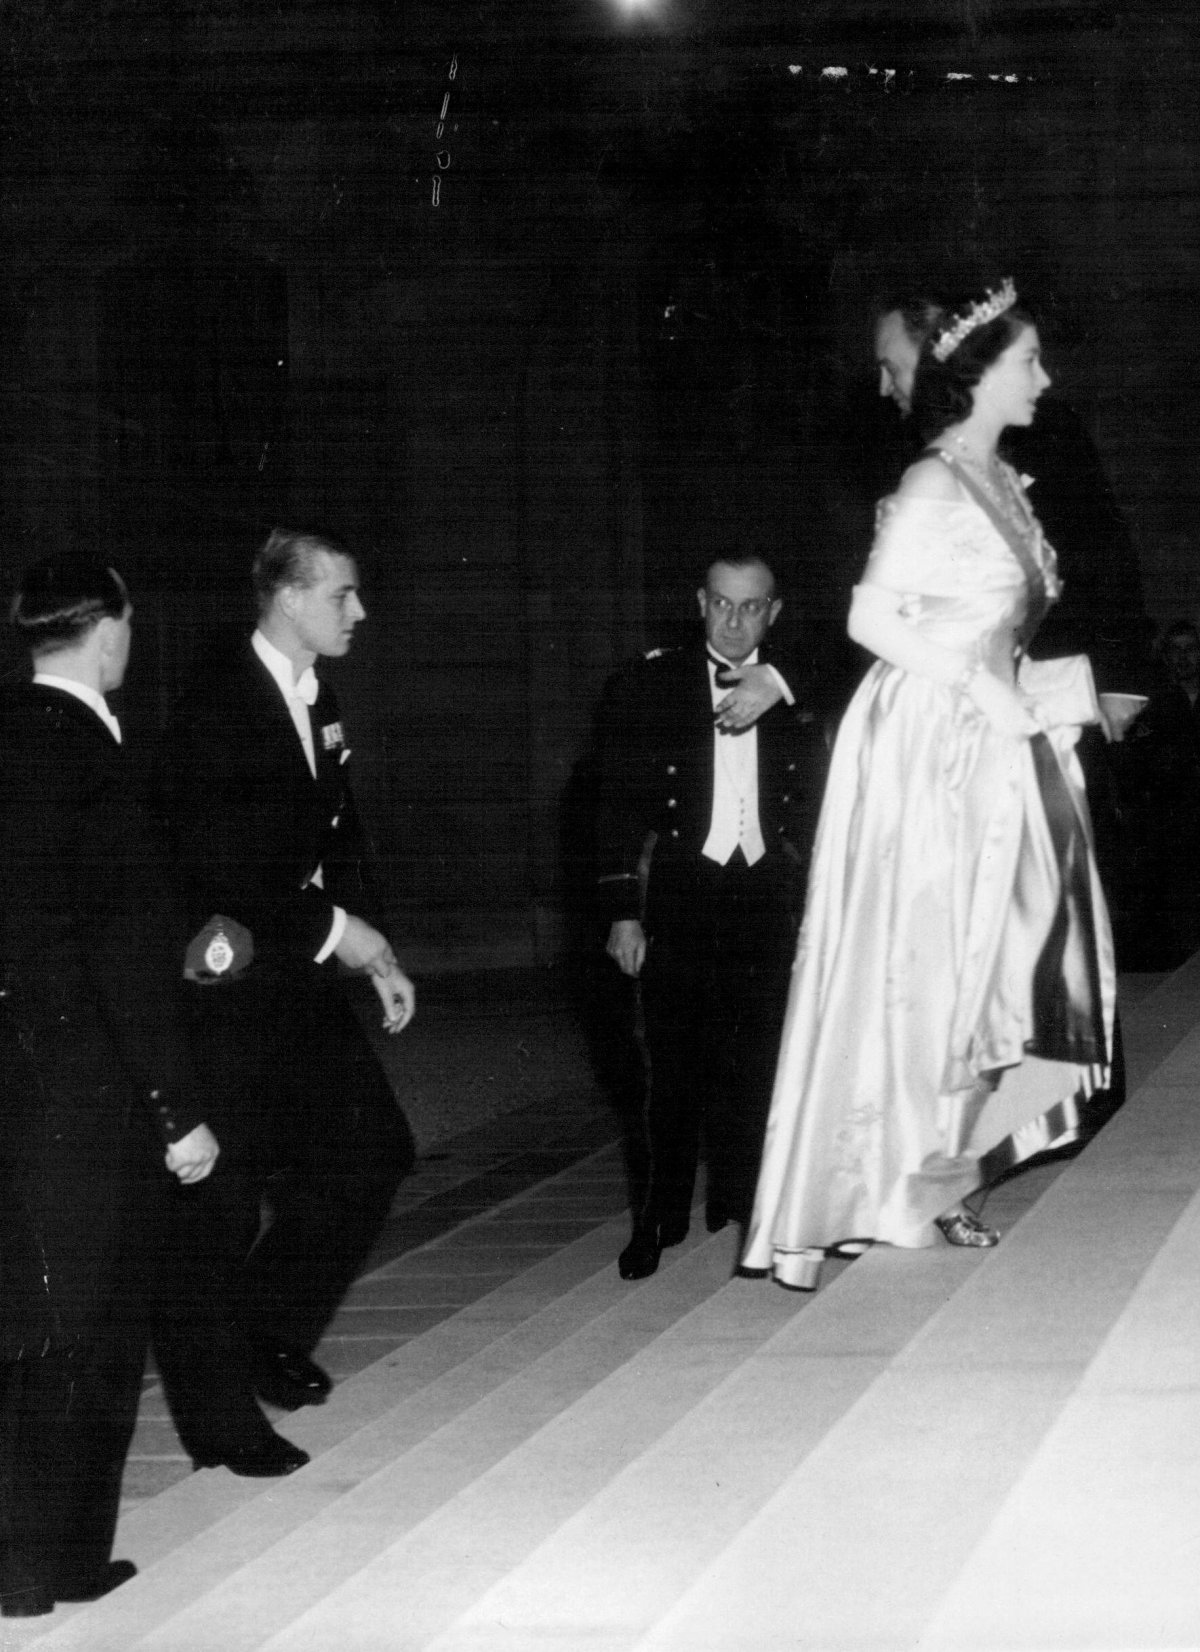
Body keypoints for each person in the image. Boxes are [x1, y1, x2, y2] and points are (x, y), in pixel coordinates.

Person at [744, 280, 1116, 1291]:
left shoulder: (997, 477)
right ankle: (897, 1180)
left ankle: (944, 1166)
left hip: (990, 737)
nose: (1043, 378)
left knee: (1001, 956)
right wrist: (977, 687)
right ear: (980, 373)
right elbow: (869, 618)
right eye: (1028, 361)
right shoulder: (934, 480)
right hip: (930, 741)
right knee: (928, 960)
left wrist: (1033, 692)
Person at [0, 559, 222, 1617]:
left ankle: (15, 1562)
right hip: (83, 1094)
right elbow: (127, 958)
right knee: (88, 1325)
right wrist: (178, 1112)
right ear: (107, 632)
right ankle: (57, 1563)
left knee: (18, 1315)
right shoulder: (99, 760)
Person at [160, 529, 416, 1411]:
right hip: (227, 983)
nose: (360, 611)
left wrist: (372, 946)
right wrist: (338, 931)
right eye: (343, 594)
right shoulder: (218, 703)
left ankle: (263, 1332)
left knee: (373, 1152)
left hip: (298, 967)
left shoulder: (318, 694)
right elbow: (221, 865)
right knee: (229, 1193)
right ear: (290, 597)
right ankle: (224, 1374)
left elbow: (337, 834)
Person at [595, 553, 824, 1280]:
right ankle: (657, 1216)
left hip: (765, 889)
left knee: (759, 1063)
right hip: (684, 888)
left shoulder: (793, 686)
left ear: (774, 612)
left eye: (751, 606)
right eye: (722, 603)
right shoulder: (649, 684)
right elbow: (612, 805)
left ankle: (744, 1203)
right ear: (700, 602)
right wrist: (623, 914)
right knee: (671, 1069)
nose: (734, 621)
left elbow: (821, 792)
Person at [1122, 620, 1200, 963]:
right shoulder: (1152, 705)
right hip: (1173, 826)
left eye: (1191, 649)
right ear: (1166, 656)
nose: (1183, 658)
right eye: (1175, 650)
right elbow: (1136, 765)